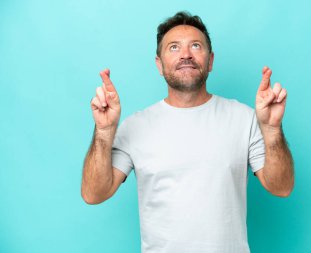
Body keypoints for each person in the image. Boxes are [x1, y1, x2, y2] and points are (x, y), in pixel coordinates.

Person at [81, 11, 294, 253]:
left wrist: (272, 129)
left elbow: (282, 187)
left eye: (195, 46)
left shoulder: (244, 119)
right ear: (159, 65)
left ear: (210, 60)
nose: (185, 55)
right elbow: (93, 194)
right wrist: (104, 130)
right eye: (173, 47)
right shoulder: (135, 126)